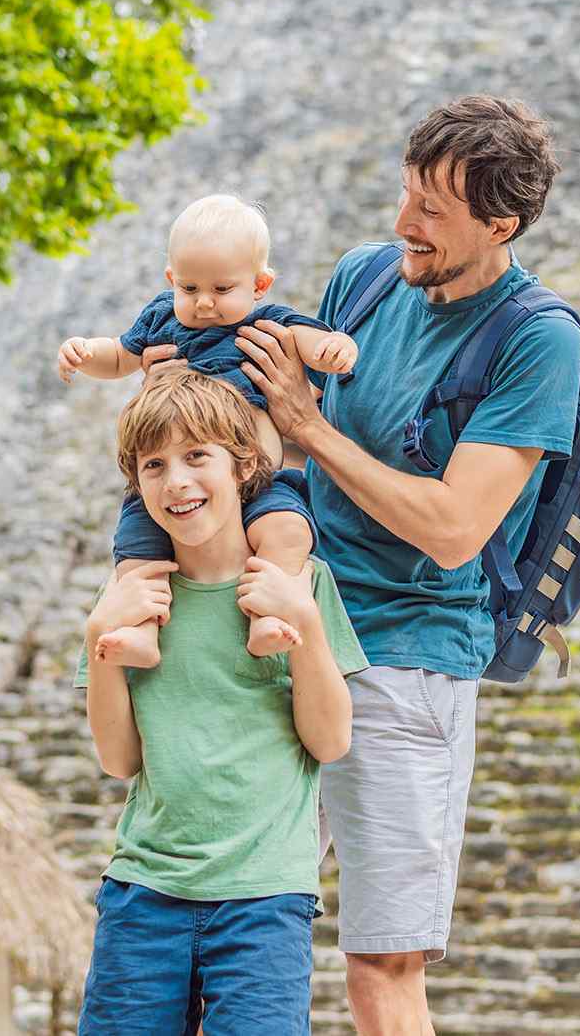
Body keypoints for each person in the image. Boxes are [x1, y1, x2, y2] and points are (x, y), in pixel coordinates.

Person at [233, 95, 580, 1035]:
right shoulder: (366, 280)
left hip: (409, 656)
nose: (403, 226)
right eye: (406, 194)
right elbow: (296, 451)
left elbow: (455, 527)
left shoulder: (536, 337)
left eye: (432, 211)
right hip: (288, 634)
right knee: (229, 931)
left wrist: (309, 423)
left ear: (498, 224)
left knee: (381, 963)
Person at [78, 370, 368, 1036]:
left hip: (265, 897)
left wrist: (305, 625)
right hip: (144, 893)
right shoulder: (128, 601)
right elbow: (121, 758)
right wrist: (99, 635)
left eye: (196, 456)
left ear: (243, 468)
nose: (176, 481)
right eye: (154, 465)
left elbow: (330, 741)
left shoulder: (302, 583)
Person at [59, 193, 359, 664]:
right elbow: (121, 354)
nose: (203, 304)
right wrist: (84, 352)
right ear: (170, 280)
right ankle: (139, 629)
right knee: (137, 548)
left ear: (260, 284)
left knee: (289, 531)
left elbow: (307, 341)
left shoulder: (267, 322)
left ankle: (269, 617)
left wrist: (332, 347)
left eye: (221, 291)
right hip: (176, 479)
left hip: (261, 479)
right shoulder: (163, 319)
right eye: (189, 288)